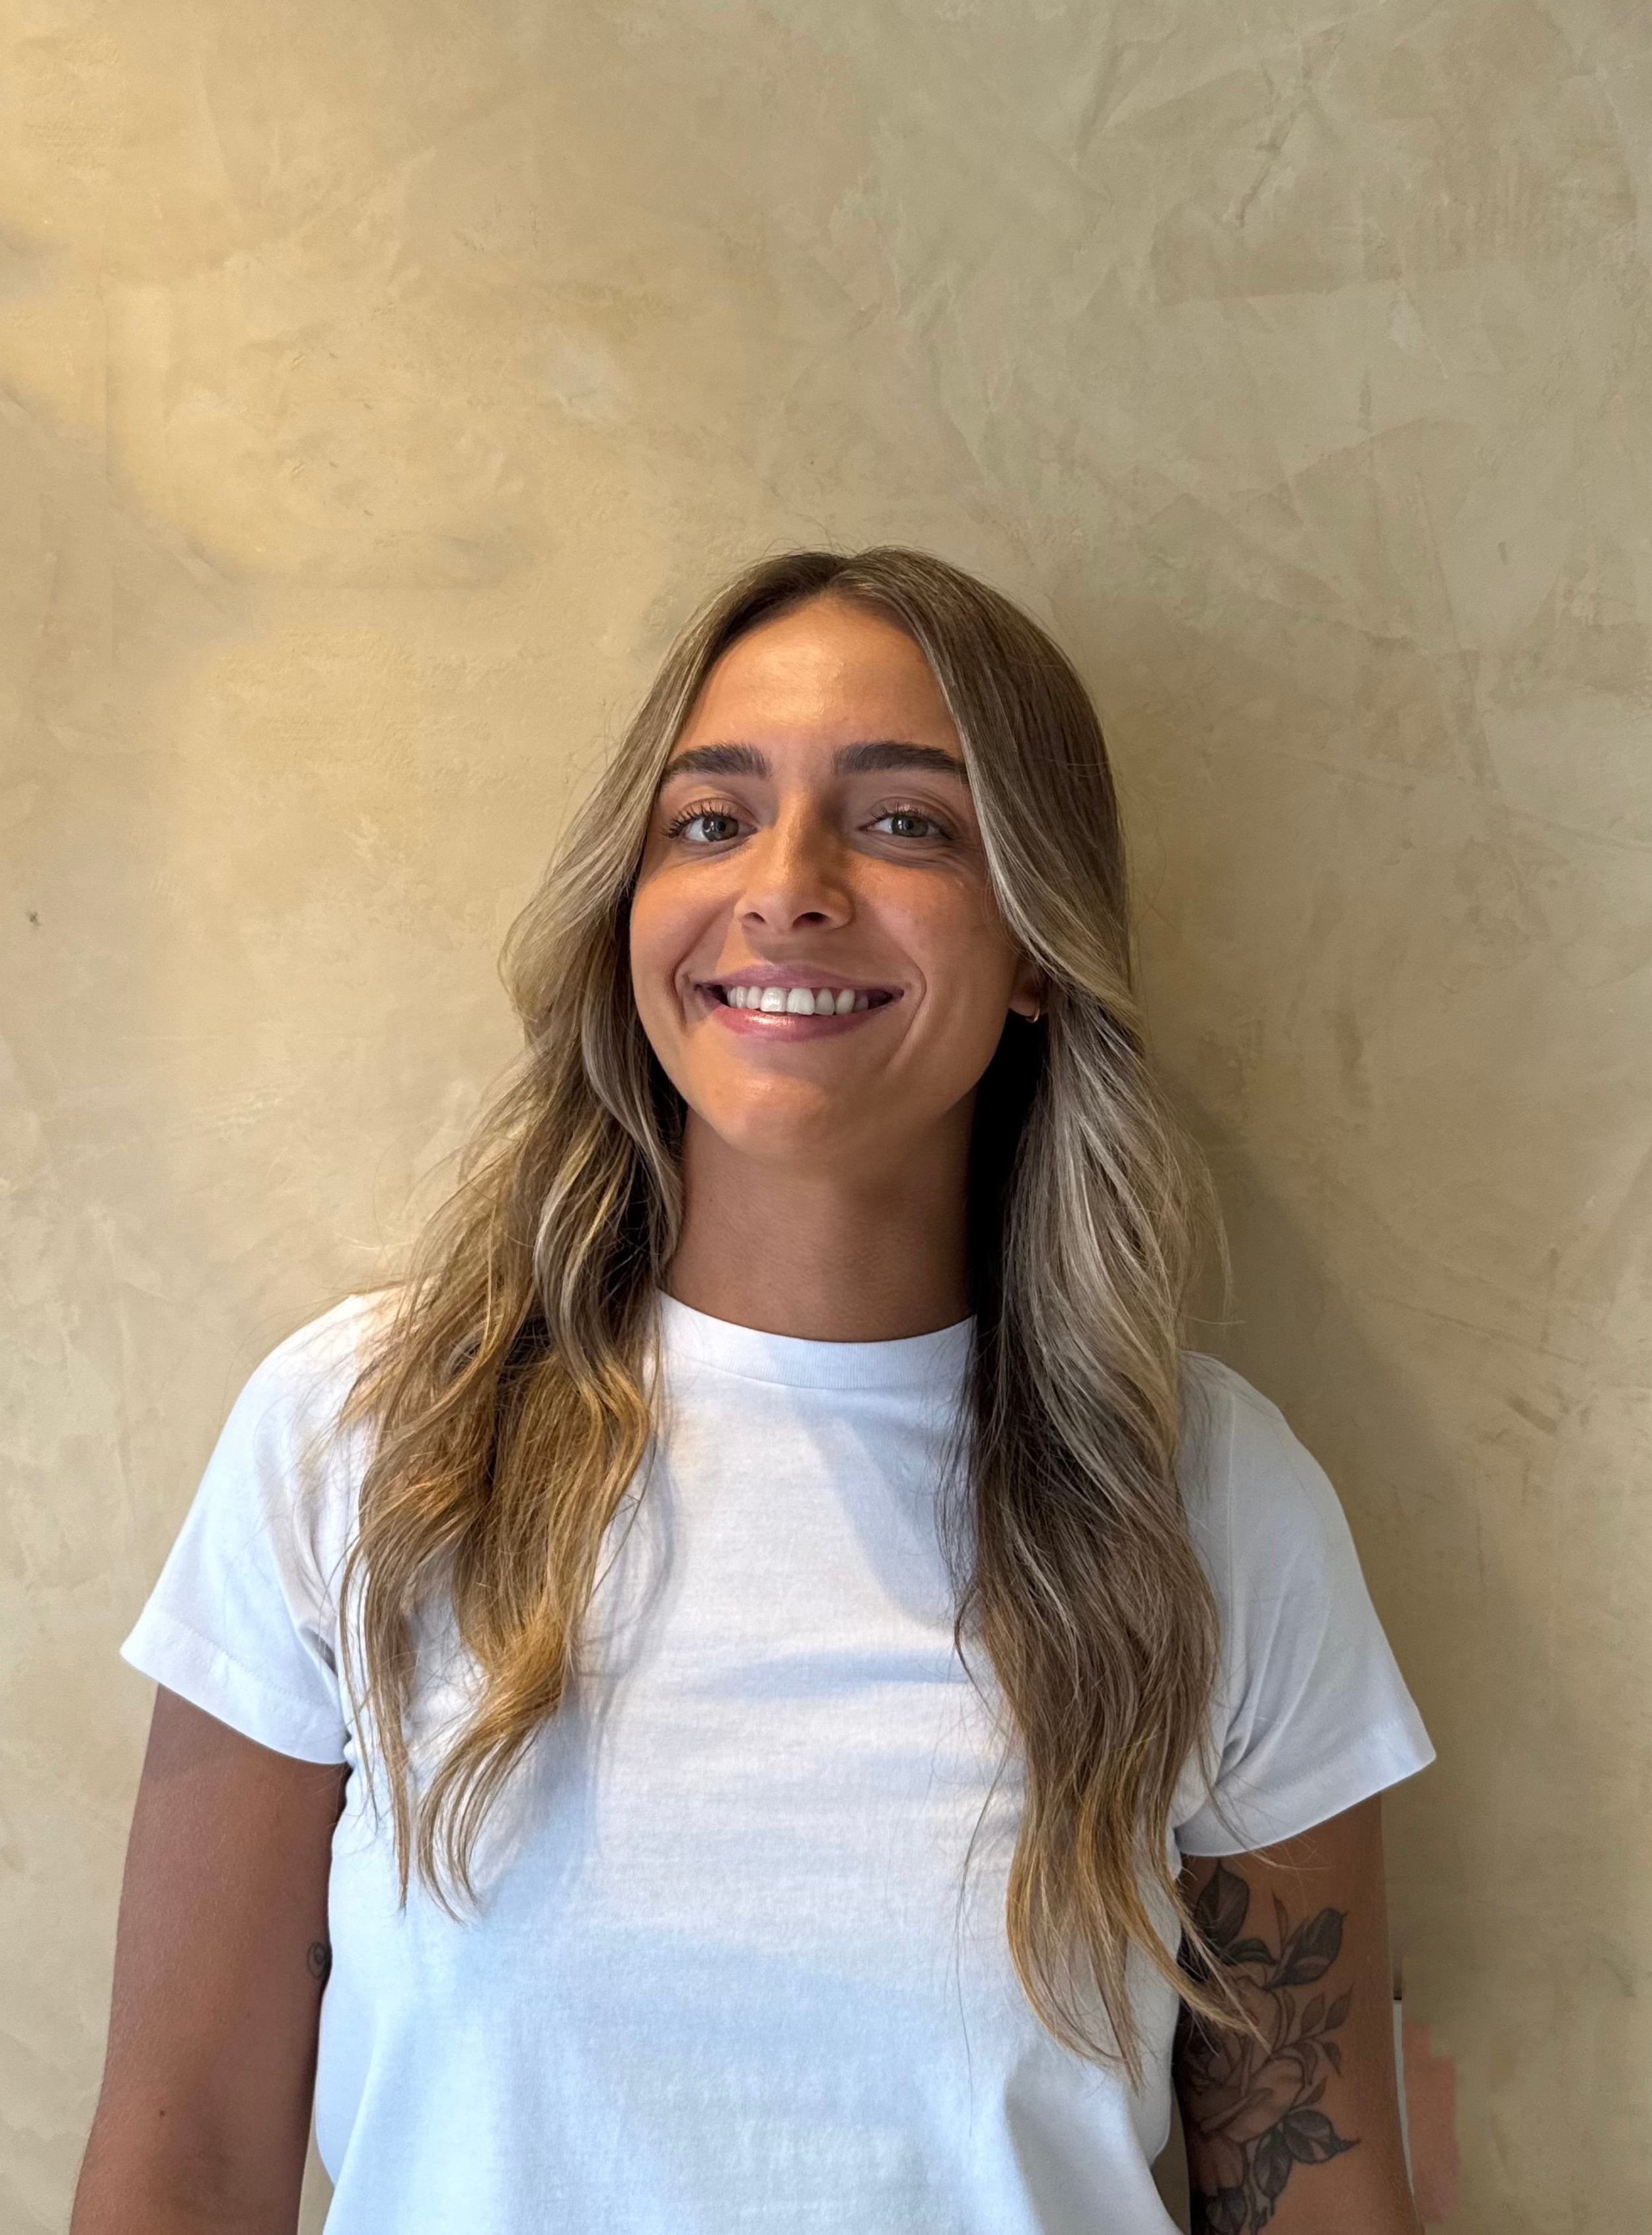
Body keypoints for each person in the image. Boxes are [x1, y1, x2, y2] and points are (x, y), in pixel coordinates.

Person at [73, 548, 1434, 2235]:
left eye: (906, 823)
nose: (785, 886)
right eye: (709, 822)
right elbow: (182, 2160)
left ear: (1034, 946)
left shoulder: (1206, 1498)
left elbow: (1313, 2198)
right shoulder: (359, 1440)